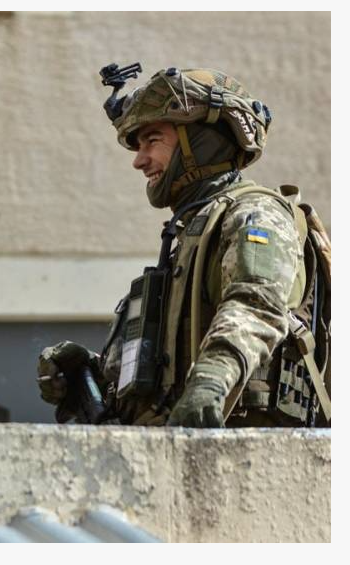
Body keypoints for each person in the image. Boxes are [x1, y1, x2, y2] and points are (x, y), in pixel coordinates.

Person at [36, 67, 330, 428]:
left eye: (152, 141)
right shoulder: (189, 240)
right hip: (164, 447)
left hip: (240, 444)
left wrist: (211, 382)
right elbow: (163, 379)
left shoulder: (256, 213)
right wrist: (92, 374)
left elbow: (256, 306)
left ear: (202, 143)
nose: (139, 161)